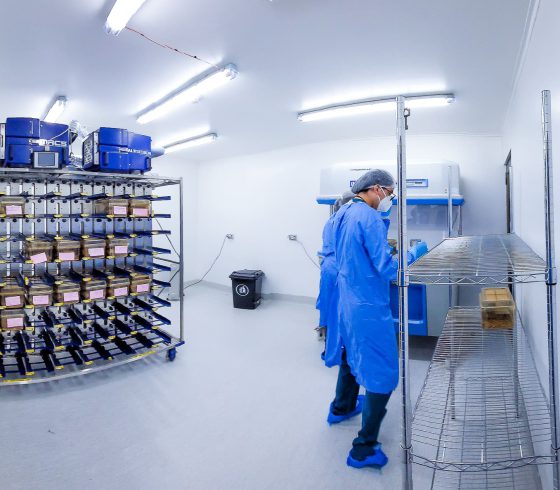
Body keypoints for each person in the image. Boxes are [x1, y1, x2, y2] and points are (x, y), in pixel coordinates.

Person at [326, 169, 426, 469]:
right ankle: (364, 449)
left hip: (346, 300)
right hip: (367, 306)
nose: (390, 200)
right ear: (376, 189)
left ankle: (341, 407)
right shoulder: (367, 217)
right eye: (390, 194)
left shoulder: (342, 213)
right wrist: (412, 255)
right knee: (381, 373)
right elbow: (387, 269)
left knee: (350, 354)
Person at [316, 191, 354, 365]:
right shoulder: (347, 221)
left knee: (329, 308)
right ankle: (337, 350)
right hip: (338, 268)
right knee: (339, 311)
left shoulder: (331, 220)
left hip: (328, 267)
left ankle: (328, 347)